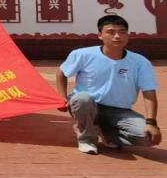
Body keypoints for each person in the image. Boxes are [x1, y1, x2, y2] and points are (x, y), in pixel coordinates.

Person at [56, 14, 161, 155]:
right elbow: (62, 72)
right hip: (89, 106)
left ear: (127, 35)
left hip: (120, 111)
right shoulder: (82, 55)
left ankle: (106, 133)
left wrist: (151, 123)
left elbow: (149, 92)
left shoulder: (140, 62)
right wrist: (62, 97)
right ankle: (87, 139)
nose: (117, 36)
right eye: (111, 32)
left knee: (148, 138)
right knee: (82, 98)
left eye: (122, 32)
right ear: (100, 35)